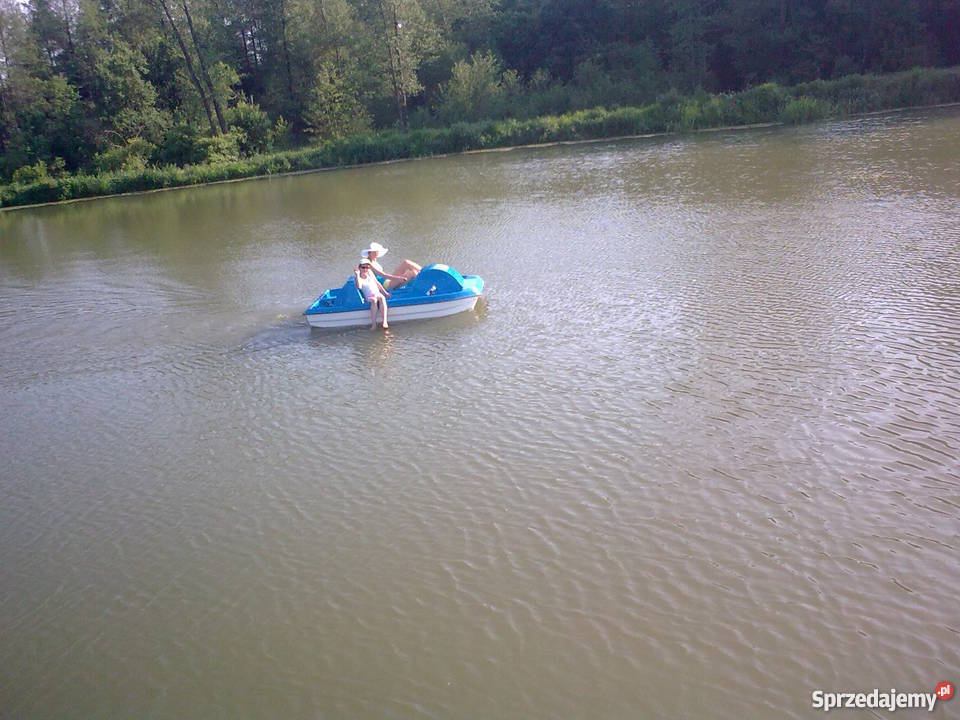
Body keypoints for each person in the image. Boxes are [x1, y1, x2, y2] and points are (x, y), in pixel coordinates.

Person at [355, 258, 390, 329]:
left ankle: (384, 322)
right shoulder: (358, 278)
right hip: (369, 296)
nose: (365, 269)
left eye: (367, 267)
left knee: (382, 297)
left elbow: (377, 283)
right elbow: (359, 286)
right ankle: (374, 324)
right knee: (374, 300)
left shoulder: (370, 273)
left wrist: (385, 292)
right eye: (363, 267)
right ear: (359, 268)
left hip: (377, 293)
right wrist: (357, 275)